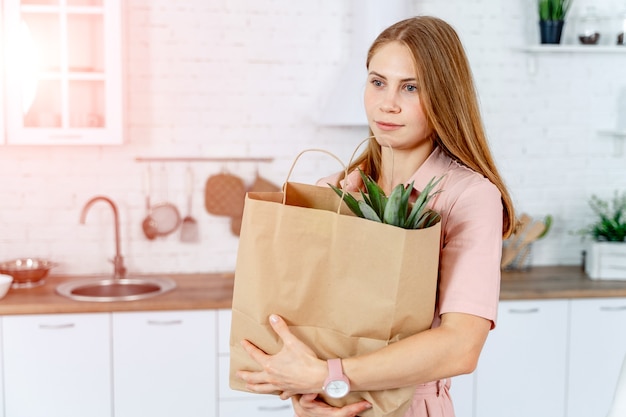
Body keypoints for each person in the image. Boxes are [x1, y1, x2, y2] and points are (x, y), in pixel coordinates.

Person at [236, 15, 516, 417]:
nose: (388, 103)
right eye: (377, 81)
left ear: (444, 95)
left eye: (411, 87)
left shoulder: (469, 197)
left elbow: (461, 346)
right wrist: (307, 395)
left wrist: (328, 375)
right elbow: (312, 318)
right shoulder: (335, 186)